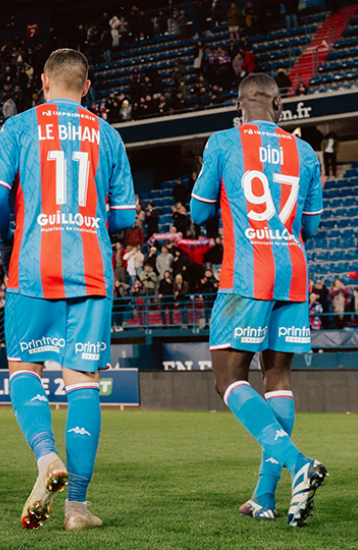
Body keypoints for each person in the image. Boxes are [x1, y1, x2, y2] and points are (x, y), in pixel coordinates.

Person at [0, 49, 135, 531]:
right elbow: (127, 218)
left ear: (44, 81)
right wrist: (96, 220)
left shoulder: (19, 127)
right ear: (86, 86)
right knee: (83, 383)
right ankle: (77, 508)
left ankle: (46, 456)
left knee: (24, 368)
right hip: (91, 271)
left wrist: (11, 235)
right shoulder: (109, 135)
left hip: (32, 267)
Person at [189, 73, 326, 527]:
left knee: (226, 377)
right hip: (294, 271)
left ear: (241, 104)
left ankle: (297, 461)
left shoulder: (224, 141)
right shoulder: (305, 152)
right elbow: (309, 229)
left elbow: (200, 212)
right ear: (278, 104)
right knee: (278, 375)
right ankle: (265, 497)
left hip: (248, 270)